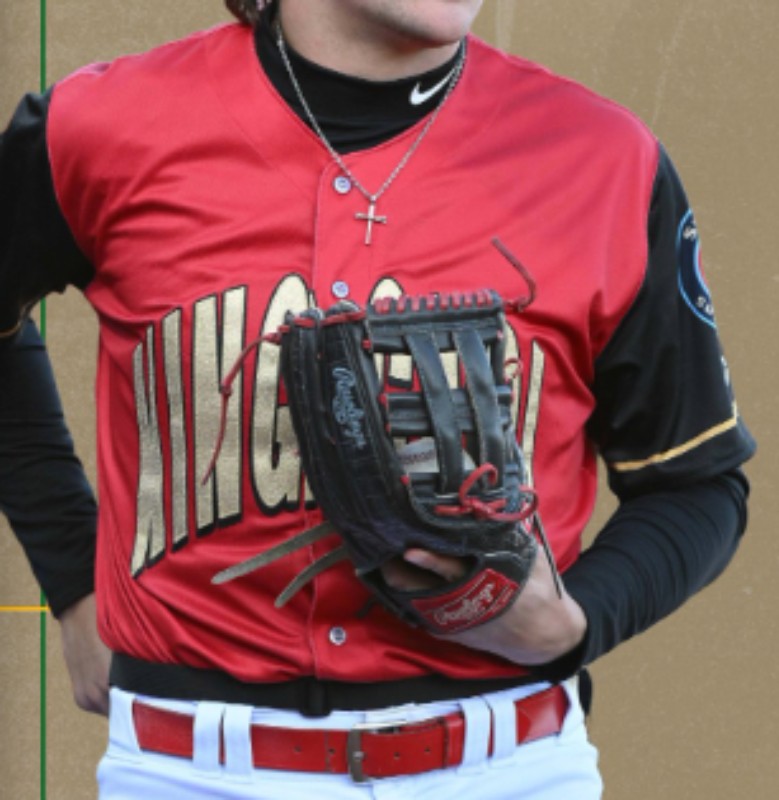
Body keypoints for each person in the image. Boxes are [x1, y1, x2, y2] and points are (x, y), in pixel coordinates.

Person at [0, 0, 756, 797]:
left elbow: (697, 483)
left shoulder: (602, 159)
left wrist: (576, 622)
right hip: (189, 771)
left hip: (506, 767)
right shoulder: (102, 127)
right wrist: (73, 576)